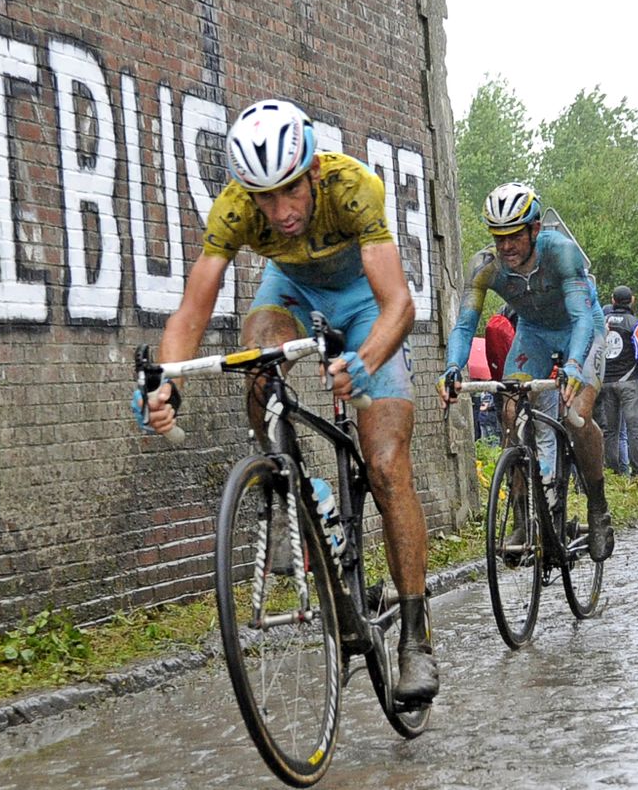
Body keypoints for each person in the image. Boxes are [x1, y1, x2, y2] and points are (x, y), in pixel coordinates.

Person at [138, 99, 436, 704]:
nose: (280, 213)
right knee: (258, 355)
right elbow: (193, 309)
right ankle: (291, 488)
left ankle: (414, 636)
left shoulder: (354, 186)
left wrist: (365, 360)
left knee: (384, 464)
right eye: (264, 199)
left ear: (313, 173)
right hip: (290, 292)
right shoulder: (235, 208)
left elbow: (398, 303)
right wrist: (167, 382)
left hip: (365, 306)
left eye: (289, 193)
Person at [438, 182, 615, 561]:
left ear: (535, 229)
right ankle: (522, 517)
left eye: (514, 236)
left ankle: (598, 507)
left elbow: (583, 317)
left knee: (574, 415)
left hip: (582, 329)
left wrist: (571, 366)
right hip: (532, 333)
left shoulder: (561, 253)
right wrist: (452, 366)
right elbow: (464, 325)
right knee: (511, 415)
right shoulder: (484, 267)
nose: (506, 247)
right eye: (498, 237)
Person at [600, 286, 638, 478]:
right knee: (635, 429)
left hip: (606, 382)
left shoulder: (602, 321)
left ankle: (612, 472)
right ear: (632, 300)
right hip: (628, 381)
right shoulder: (635, 324)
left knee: (610, 431)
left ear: (613, 300)